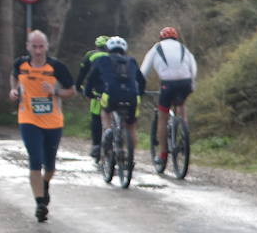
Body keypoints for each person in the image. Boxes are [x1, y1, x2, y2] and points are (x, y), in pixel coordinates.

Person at [8, 29, 76, 222]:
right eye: (34, 46)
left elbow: (71, 91)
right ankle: (39, 204)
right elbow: (14, 76)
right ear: (28, 46)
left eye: (41, 46)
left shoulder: (57, 67)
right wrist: (14, 90)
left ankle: (45, 183)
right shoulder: (20, 64)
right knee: (35, 159)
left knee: (51, 166)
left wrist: (55, 91)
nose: (38, 51)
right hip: (28, 120)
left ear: (46, 47)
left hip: (53, 122)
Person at [139, 26, 197, 171]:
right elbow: (193, 66)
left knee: (163, 117)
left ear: (161, 38)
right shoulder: (183, 48)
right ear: (176, 38)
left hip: (168, 84)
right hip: (186, 82)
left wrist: (139, 87)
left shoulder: (156, 48)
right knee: (181, 106)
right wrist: (192, 82)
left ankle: (163, 154)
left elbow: (143, 71)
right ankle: (184, 133)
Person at [86, 36, 146, 165]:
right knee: (131, 126)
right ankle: (130, 158)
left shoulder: (102, 59)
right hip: (132, 97)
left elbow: (91, 78)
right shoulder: (132, 61)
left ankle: (108, 131)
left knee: (105, 112)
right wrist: (139, 94)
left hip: (111, 95)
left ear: (108, 48)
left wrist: (89, 93)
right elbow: (141, 81)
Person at [75, 34, 110, 160]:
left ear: (96, 46)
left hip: (97, 92)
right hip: (113, 93)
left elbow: (82, 73)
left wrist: (78, 87)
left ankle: (96, 146)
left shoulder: (90, 55)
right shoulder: (114, 56)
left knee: (96, 117)